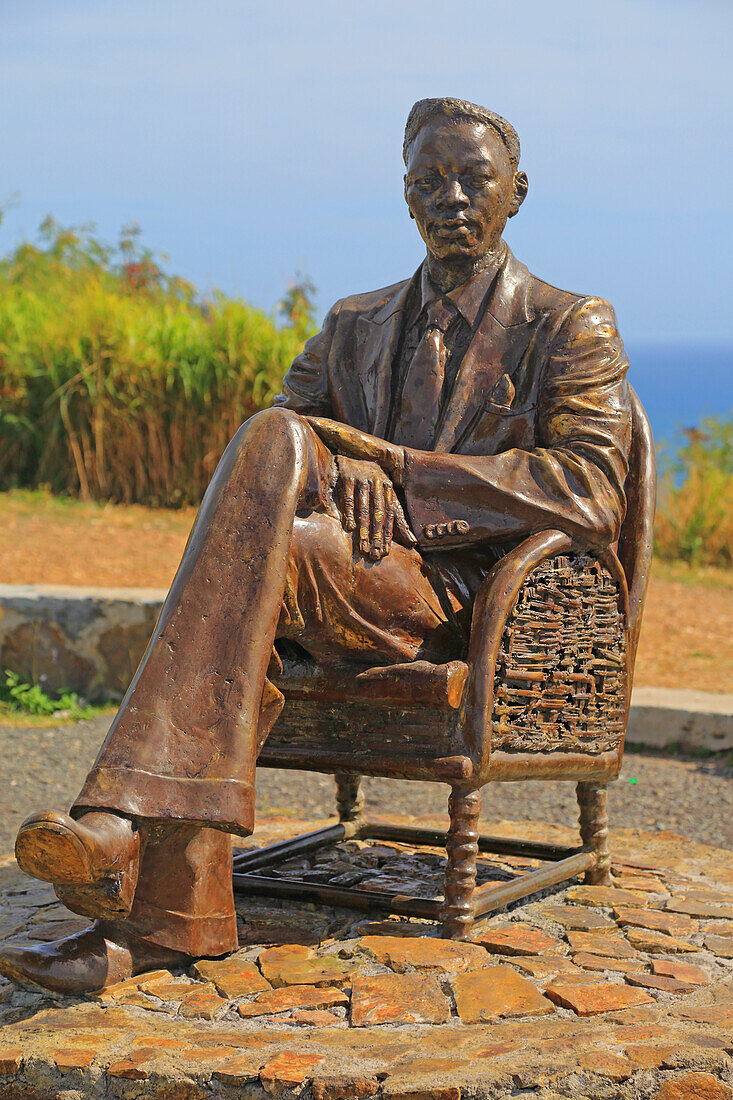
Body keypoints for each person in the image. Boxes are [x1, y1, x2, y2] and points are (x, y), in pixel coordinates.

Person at [0, 97, 631, 993]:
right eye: (425, 180)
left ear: (516, 193)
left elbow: (590, 490)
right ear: (403, 196)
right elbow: (278, 458)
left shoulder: (569, 324)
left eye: (471, 178)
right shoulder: (353, 325)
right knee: (275, 456)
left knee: (275, 451)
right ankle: (178, 918)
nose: (447, 197)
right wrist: (338, 459)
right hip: (338, 570)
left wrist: (400, 469)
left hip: (465, 596)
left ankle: (118, 818)